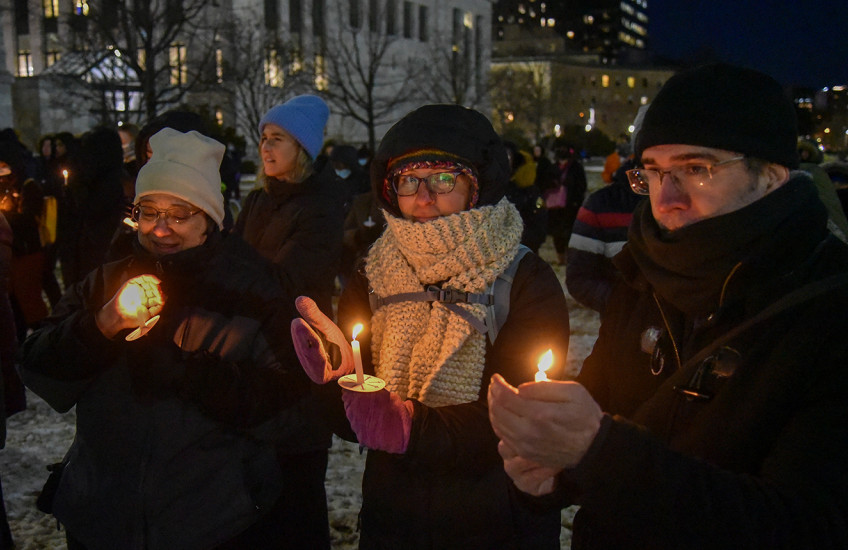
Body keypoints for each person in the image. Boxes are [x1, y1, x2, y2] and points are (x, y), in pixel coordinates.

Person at [488, 63, 848, 549]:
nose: (667, 199)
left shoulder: (828, 308)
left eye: (695, 169)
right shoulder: (643, 277)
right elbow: (601, 409)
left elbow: (809, 525)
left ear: (771, 176)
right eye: (654, 172)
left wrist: (598, 454)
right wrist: (549, 473)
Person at [18, 128, 326, 549]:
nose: (161, 229)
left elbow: (294, 410)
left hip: (210, 523)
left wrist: (190, 374)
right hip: (101, 519)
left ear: (209, 219)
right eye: (149, 212)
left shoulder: (254, 291)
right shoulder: (107, 280)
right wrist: (100, 327)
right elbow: (36, 367)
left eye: (179, 214)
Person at [291, 104, 571, 548]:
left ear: (476, 185)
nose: (423, 198)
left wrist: (410, 427)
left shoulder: (522, 278)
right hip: (393, 515)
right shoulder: (374, 272)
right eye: (408, 181)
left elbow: (521, 417)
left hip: (496, 518)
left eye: (443, 179)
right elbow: (360, 421)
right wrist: (335, 384)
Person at [234, 94, 344, 318]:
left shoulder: (322, 207)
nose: (266, 146)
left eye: (277, 138)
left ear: (301, 149)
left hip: (298, 328)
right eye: (264, 138)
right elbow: (232, 253)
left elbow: (288, 282)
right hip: (250, 322)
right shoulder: (257, 199)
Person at [546, 145, 587, 265]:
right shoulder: (553, 168)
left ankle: (569, 257)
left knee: (569, 232)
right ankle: (561, 257)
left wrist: (576, 201)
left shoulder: (575, 168)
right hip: (556, 206)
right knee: (557, 233)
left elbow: (581, 185)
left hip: (571, 205)